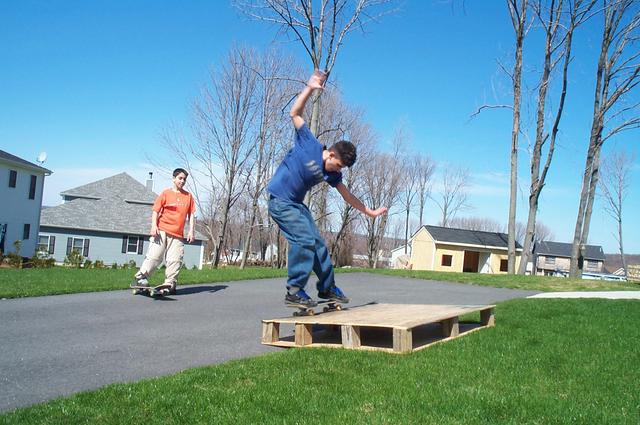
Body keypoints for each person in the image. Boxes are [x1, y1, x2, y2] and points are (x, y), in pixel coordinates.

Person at [267, 70, 388, 307]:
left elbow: (347, 195)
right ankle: (294, 291)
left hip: (296, 205)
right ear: (331, 154)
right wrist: (310, 87)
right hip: (279, 201)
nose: (338, 170)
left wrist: (370, 212)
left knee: (318, 243)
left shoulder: (333, 173)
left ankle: (327, 287)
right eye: (338, 165)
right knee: (303, 239)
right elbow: (295, 113)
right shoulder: (309, 143)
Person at [133, 168, 195, 295]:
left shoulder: (188, 196)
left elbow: (192, 215)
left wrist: (191, 231)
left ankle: (170, 283)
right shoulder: (166, 193)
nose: (182, 181)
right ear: (174, 179)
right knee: (155, 256)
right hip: (162, 230)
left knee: (175, 260)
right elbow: (156, 210)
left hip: (177, 234)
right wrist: (153, 226)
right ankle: (141, 278)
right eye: (180, 178)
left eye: (184, 179)